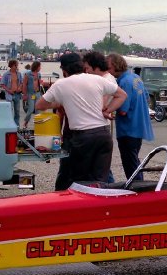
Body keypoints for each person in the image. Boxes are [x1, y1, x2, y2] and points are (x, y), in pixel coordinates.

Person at [35, 52, 127, 185]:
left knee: (79, 181)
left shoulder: (61, 84)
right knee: (100, 181)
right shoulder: (97, 79)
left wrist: (61, 102)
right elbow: (122, 95)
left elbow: (40, 105)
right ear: (82, 66)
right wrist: (107, 110)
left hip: (83, 137)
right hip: (103, 135)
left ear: (64, 70)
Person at [107, 52, 154, 180]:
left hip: (128, 129)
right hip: (139, 127)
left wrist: (109, 111)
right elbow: (146, 98)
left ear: (116, 66)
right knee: (135, 160)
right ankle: (140, 187)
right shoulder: (136, 78)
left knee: (130, 164)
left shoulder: (124, 83)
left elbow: (123, 110)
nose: (108, 72)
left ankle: (137, 190)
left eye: (109, 68)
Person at [83, 51, 117, 183]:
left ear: (96, 67)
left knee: (101, 166)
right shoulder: (106, 78)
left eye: (87, 68)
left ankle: (112, 192)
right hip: (99, 127)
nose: (86, 72)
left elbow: (101, 103)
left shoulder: (105, 80)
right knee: (101, 166)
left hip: (99, 127)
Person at [0, 59, 23, 127]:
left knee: (17, 111)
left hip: (17, 94)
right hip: (9, 94)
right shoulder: (6, 74)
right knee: (9, 111)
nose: (17, 66)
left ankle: (16, 126)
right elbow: (2, 84)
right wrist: (8, 90)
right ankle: (9, 125)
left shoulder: (18, 74)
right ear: (13, 65)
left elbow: (21, 82)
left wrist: (19, 88)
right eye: (16, 65)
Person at [22, 61, 43, 128]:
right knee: (31, 109)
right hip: (30, 94)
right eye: (39, 66)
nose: (40, 68)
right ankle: (26, 122)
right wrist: (24, 94)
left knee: (38, 109)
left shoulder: (39, 74)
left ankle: (37, 125)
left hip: (37, 93)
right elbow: (24, 84)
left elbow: (39, 83)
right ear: (36, 66)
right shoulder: (28, 74)